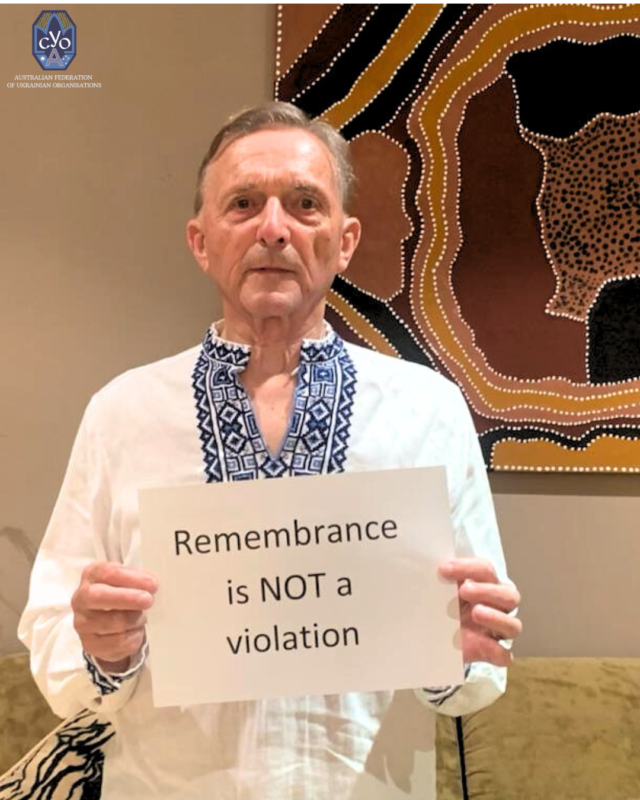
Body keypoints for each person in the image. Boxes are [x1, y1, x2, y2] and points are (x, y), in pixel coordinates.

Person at [19, 101, 521, 799]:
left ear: (345, 242)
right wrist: (100, 648)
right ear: (201, 241)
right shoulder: (123, 414)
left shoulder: (426, 411)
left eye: (305, 204)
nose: (275, 228)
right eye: (244, 203)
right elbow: (51, 627)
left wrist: (460, 652)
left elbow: (477, 675)